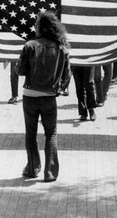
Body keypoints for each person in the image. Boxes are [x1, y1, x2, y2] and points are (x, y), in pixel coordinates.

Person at [16, 11, 71, 181]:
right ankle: (50, 172)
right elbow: (67, 75)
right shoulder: (62, 47)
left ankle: (32, 169)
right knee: (51, 133)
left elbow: (20, 71)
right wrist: (60, 87)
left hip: (29, 95)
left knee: (30, 133)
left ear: (40, 27)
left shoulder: (30, 45)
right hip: (49, 96)